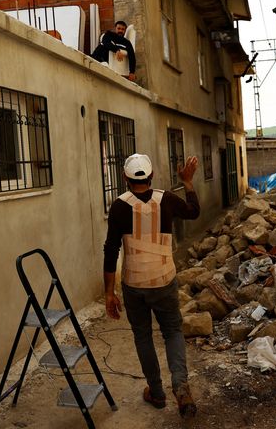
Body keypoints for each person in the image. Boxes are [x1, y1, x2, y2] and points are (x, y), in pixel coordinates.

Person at [103, 153, 200, 418]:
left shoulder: (119, 206)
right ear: (152, 176)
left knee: (143, 336)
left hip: (134, 284)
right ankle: (181, 387)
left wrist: (109, 293)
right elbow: (193, 212)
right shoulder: (166, 199)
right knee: (172, 332)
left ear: (125, 178)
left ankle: (156, 393)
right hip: (163, 279)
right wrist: (188, 182)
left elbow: (111, 250)